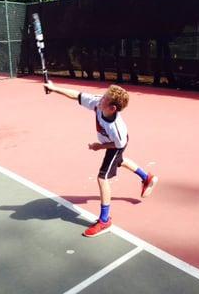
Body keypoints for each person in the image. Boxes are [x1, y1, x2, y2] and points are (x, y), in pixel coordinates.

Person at [44, 80, 158, 238]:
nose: (100, 98)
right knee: (119, 162)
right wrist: (54, 88)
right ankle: (147, 178)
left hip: (116, 144)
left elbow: (118, 144)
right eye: (104, 95)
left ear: (112, 108)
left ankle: (104, 220)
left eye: (105, 98)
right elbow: (77, 95)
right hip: (113, 142)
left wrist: (99, 146)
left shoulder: (115, 128)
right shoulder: (99, 103)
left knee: (102, 177)